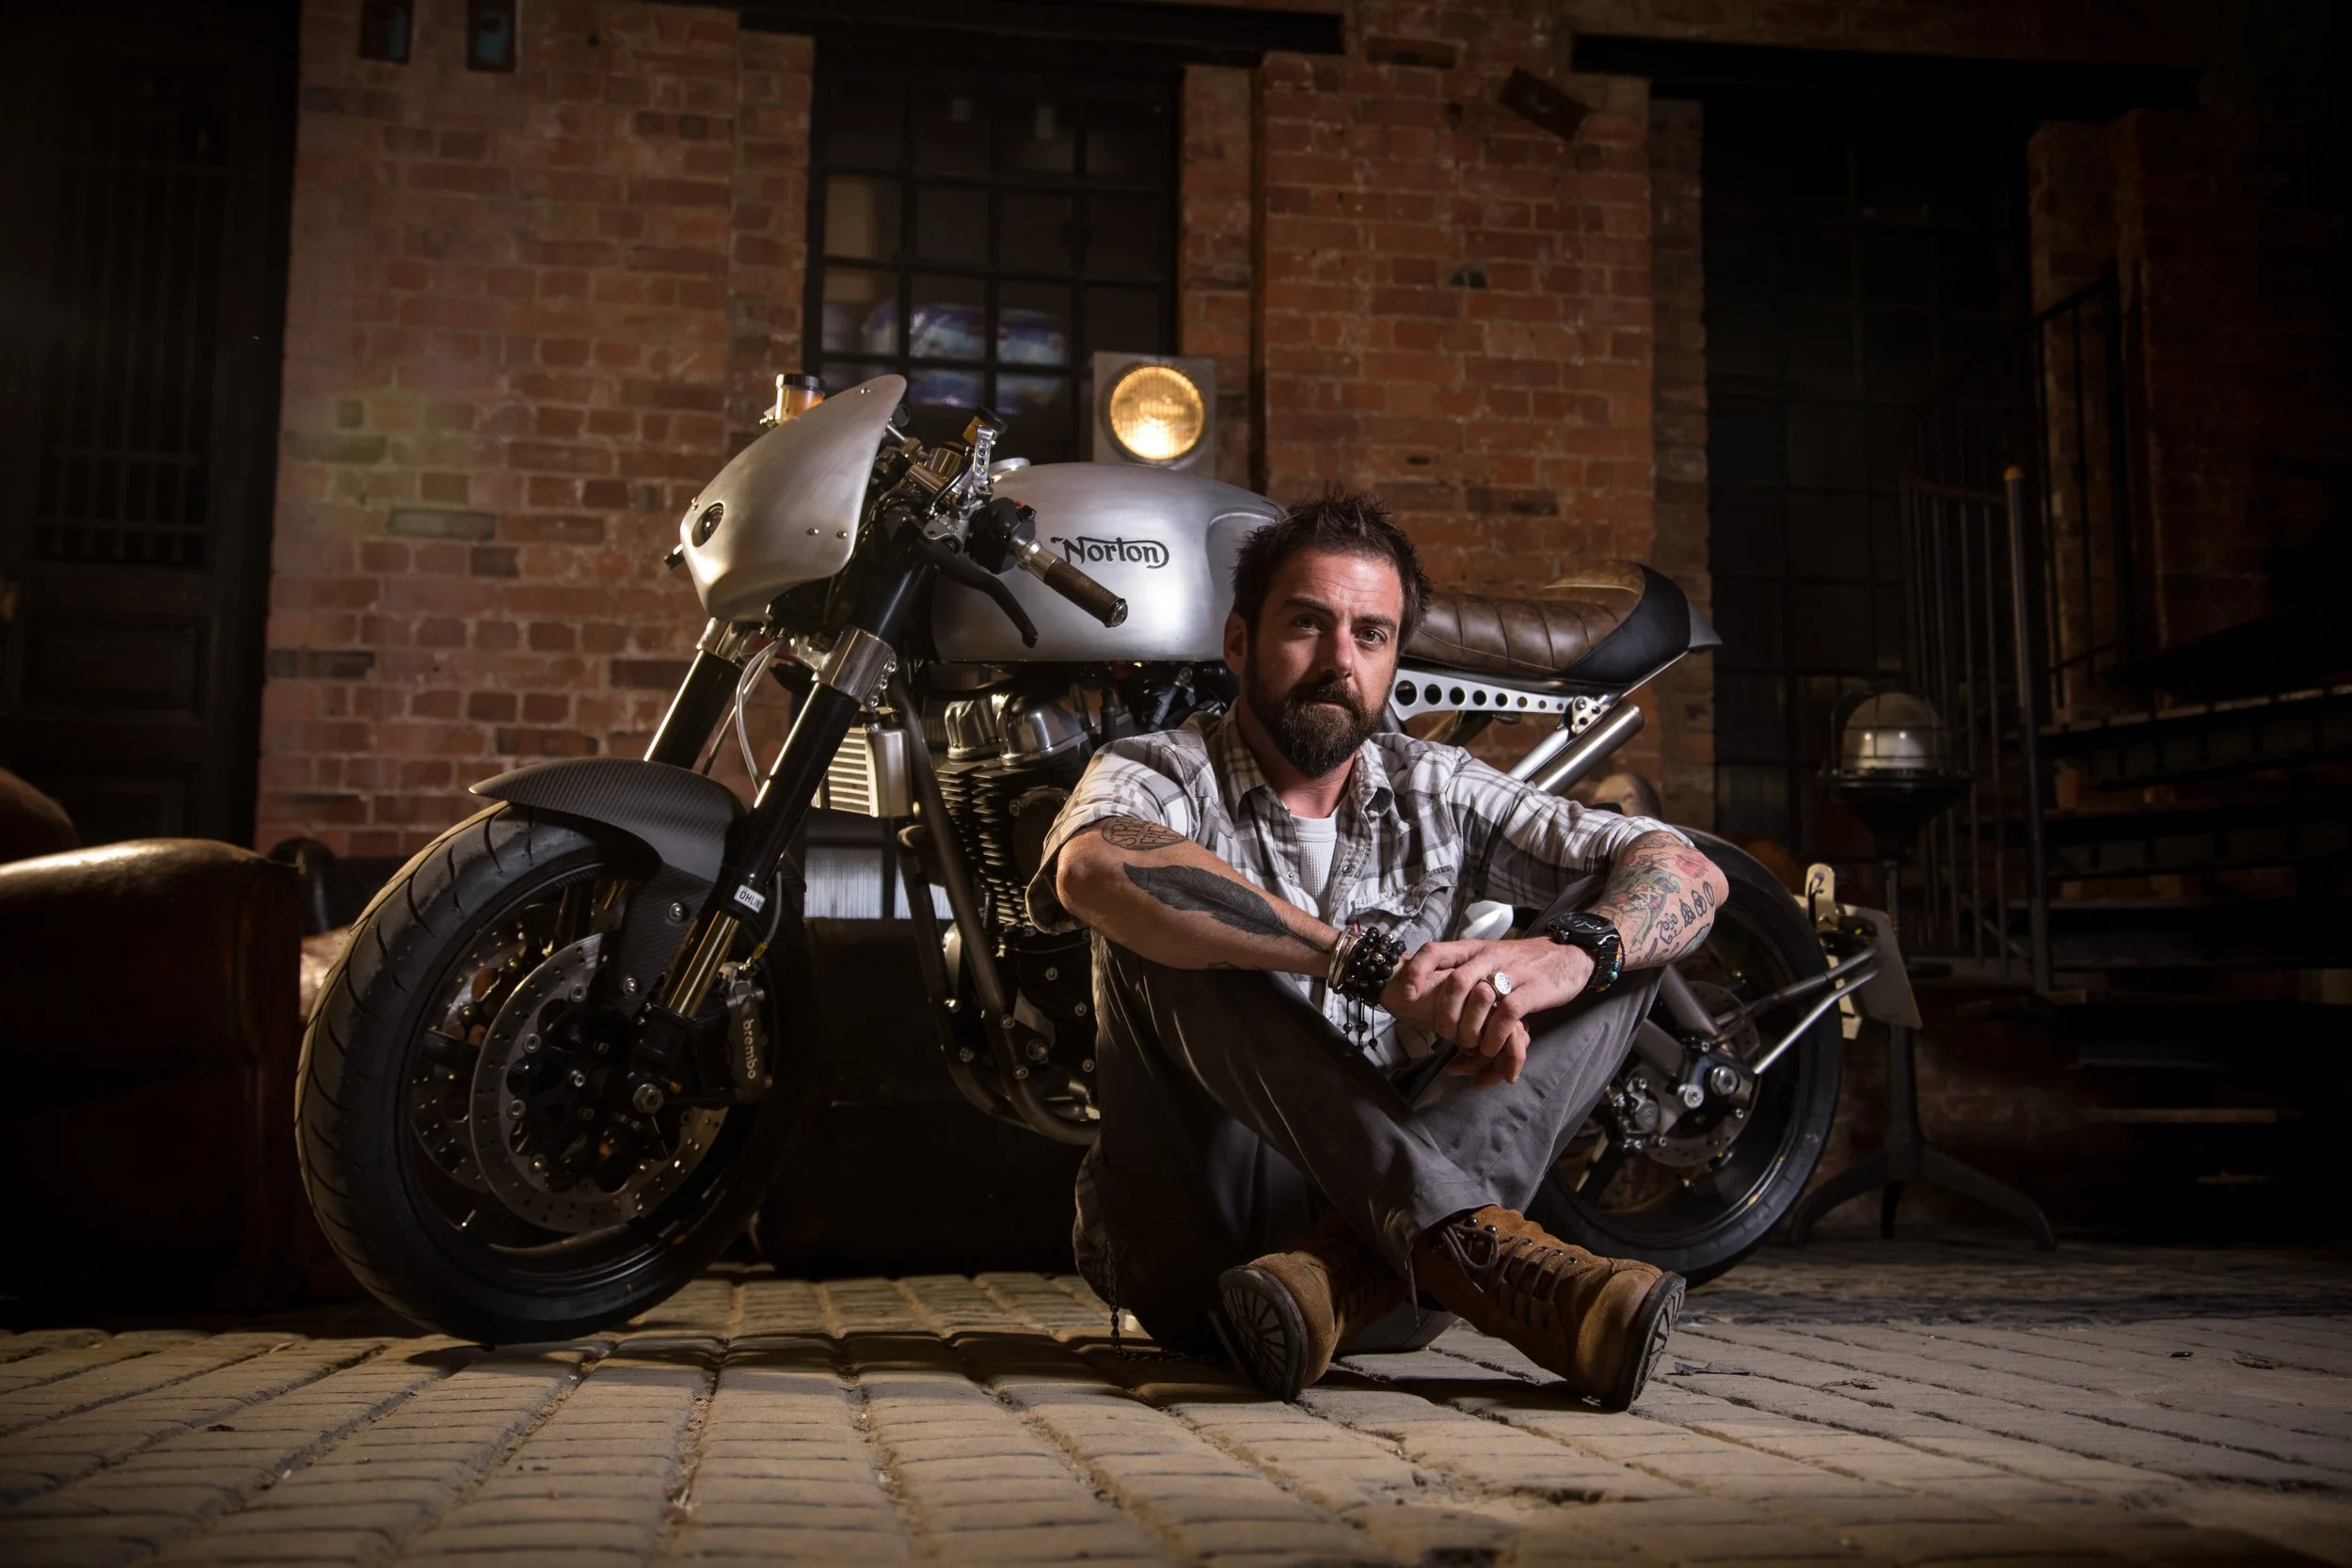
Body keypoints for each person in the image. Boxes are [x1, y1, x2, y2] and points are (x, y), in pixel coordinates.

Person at [1023, 492, 1729, 1409]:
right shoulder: (1163, 769)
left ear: (1395, 660)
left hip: (1394, 1280)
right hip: (1199, 1251)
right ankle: (1466, 1249)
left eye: (1370, 635)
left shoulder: (1431, 781)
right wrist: (1358, 963)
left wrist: (1563, 955)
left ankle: (1336, 1275)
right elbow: (1091, 867)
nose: (1337, 661)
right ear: (1237, 642)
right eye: (1306, 625)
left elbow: (1689, 871)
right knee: (1160, 916)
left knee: (1625, 935)